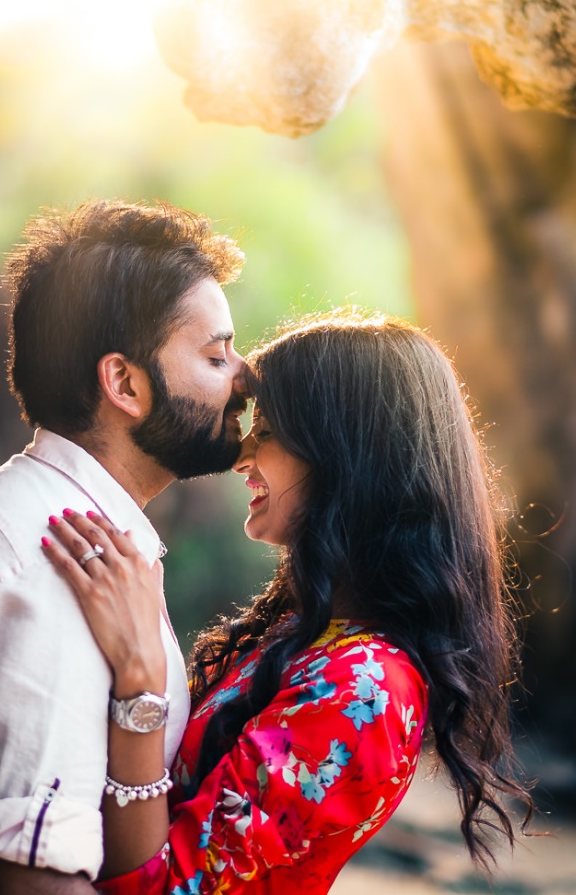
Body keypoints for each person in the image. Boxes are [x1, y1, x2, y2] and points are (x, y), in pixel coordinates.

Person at [0, 199, 253, 895]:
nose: (245, 375)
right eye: (216, 354)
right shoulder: (60, 565)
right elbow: (31, 879)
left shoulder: (61, 526)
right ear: (123, 383)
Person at [41, 311, 534, 893]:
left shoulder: (367, 688)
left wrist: (140, 682)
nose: (242, 455)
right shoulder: (308, 634)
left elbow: (164, 888)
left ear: (347, 458)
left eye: (268, 430)